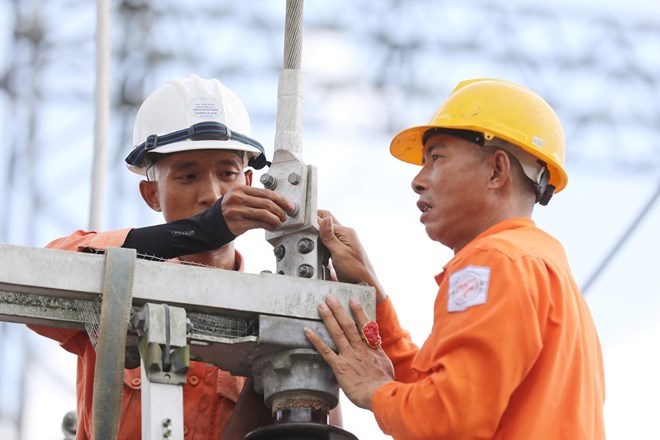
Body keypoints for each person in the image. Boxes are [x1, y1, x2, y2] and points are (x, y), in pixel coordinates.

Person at [305, 78, 606, 439]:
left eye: (436, 157)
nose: (418, 180)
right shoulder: (540, 269)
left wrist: (373, 390)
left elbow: (450, 419)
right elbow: (436, 390)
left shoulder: (493, 263)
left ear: (497, 171)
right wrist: (373, 298)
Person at [29, 75, 295, 439]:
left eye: (227, 173)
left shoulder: (272, 314)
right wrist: (203, 230)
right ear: (151, 194)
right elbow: (40, 274)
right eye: (187, 177)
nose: (211, 194)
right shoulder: (116, 281)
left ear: (248, 183)